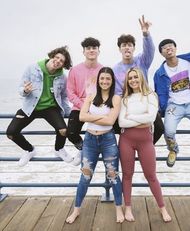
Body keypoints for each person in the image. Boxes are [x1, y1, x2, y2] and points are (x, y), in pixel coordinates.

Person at [66, 67, 124, 224]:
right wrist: (102, 116)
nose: (104, 81)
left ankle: (119, 208)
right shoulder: (91, 96)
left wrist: (92, 117)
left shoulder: (116, 98)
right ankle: (76, 210)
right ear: (98, 80)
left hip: (108, 140)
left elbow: (110, 122)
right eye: (102, 78)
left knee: (113, 175)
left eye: (108, 79)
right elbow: (82, 116)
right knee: (85, 176)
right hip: (90, 140)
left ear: (112, 81)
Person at [118, 67, 171, 222]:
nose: (133, 80)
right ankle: (127, 208)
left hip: (146, 140)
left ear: (141, 78)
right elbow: (121, 122)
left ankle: (163, 208)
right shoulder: (125, 99)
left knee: (151, 176)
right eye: (130, 78)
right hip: (126, 140)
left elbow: (151, 118)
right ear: (127, 81)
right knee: (127, 175)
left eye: (136, 77)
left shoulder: (150, 96)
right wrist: (140, 117)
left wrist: (132, 116)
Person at [6, 46, 73, 167]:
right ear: (52, 56)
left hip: (50, 108)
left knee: (63, 130)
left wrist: (69, 111)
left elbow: (64, 97)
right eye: (57, 57)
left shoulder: (62, 77)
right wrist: (25, 91)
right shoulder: (32, 68)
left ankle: (59, 149)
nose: (58, 61)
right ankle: (29, 150)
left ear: (63, 65)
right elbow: (21, 89)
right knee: (11, 132)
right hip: (31, 106)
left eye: (62, 61)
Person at [154, 39, 190, 167]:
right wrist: (160, 108)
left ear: (175, 48)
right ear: (161, 53)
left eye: (170, 46)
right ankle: (173, 150)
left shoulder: (188, 63)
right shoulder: (160, 73)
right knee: (168, 132)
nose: (168, 48)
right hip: (174, 106)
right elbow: (159, 92)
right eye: (164, 48)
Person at [113, 15, 164, 144]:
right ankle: (129, 147)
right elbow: (117, 92)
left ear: (134, 48)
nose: (127, 47)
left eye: (130, 45)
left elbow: (150, 50)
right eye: (123, 45)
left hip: (145, 101)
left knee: (159, 128)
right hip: (127, 104)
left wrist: (146, 34)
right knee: (117, 126)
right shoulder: (115, 69)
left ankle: (145, 147)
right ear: (120, 49)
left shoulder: (142, 61)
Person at [67, 37, 103, 166]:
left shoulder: (103, 70)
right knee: (70, 133)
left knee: (113, 129)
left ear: (99, 51)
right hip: (79, 107)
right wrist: (84, 106)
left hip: (99, 107)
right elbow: (70, 93)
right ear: (83, 51)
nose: (91, 50)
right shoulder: (75, 70)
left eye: (94, 48)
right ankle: (83, 149)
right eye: (88, 48)